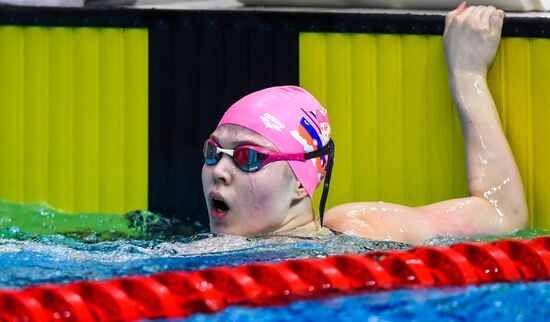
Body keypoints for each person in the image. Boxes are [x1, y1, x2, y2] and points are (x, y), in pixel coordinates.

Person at [201, 3, 528, 245]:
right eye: (213, 152)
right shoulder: (199, 255)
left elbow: (503, 215)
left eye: (248, 157)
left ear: (301, 183)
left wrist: (467, 75)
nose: (219, 170)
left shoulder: (362, 226)